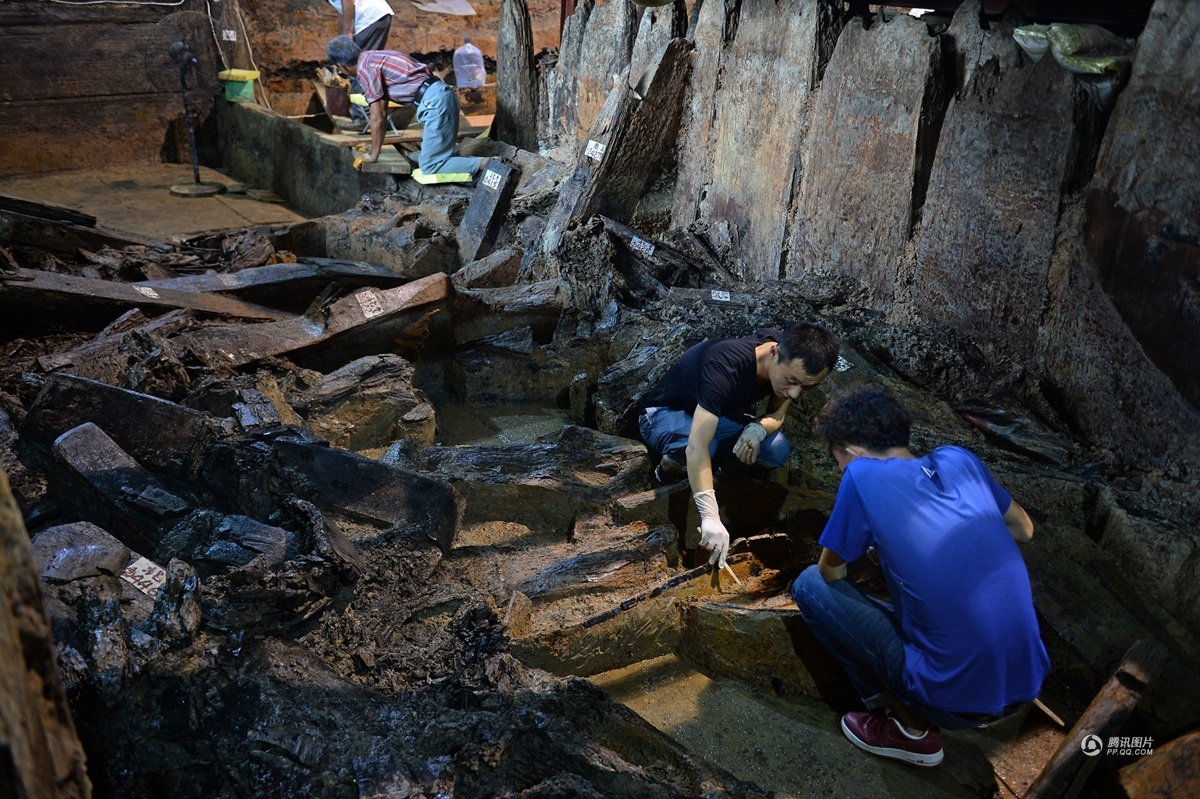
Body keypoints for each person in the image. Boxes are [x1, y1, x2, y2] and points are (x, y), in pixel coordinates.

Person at [792, 384, 1049, 767]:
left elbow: (832, 571)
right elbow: (1024, 528)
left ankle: (906, 725)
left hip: (953, 704)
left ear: (851, 449)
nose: (841, 469)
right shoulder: (960, 459)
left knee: (809, 585)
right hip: (1025, 686)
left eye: (837, 460)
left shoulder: (861, 475)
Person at [638, 323, 840, 568]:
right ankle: (665, 475)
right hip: (666, 412)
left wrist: (757, 429)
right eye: (792, 381)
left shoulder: (786, 349)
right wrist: (710, 515)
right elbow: (697, 446)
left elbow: (777, 414)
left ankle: (718, 477)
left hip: (717, 415)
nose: (796, 394)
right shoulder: (725, 365)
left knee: (775, 448)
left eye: (807, 387)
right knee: (704, 448)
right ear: (774, 354)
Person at [326, 36, 482, 177]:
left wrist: (373, 155)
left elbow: (377, 118)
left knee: (430, 166)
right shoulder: (373, 57)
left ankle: (488, 164)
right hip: (441, 94)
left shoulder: (365, 71)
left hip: (435, 103)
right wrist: (373, 146)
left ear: (342, 67)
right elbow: (382, 107)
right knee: (417, 157)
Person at [327, 0, 394, 52]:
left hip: (369, 17)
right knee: (366, 62)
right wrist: (341, 37)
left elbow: (347, 1)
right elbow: (341, 9)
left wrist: (347, 32)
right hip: (374, 16)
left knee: (360, 61)